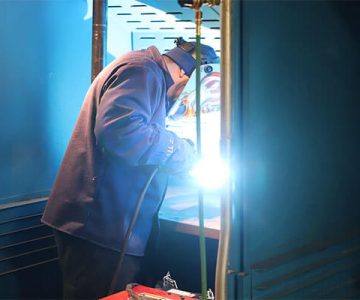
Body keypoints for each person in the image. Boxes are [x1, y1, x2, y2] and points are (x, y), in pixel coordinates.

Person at [41, 37, 218, 299]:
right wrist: (181, 150)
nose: (182, 103)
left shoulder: (144, 71)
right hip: (100, 227)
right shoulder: (142, 70)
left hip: (103, 223)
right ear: (185, 73)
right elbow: (121, 132)